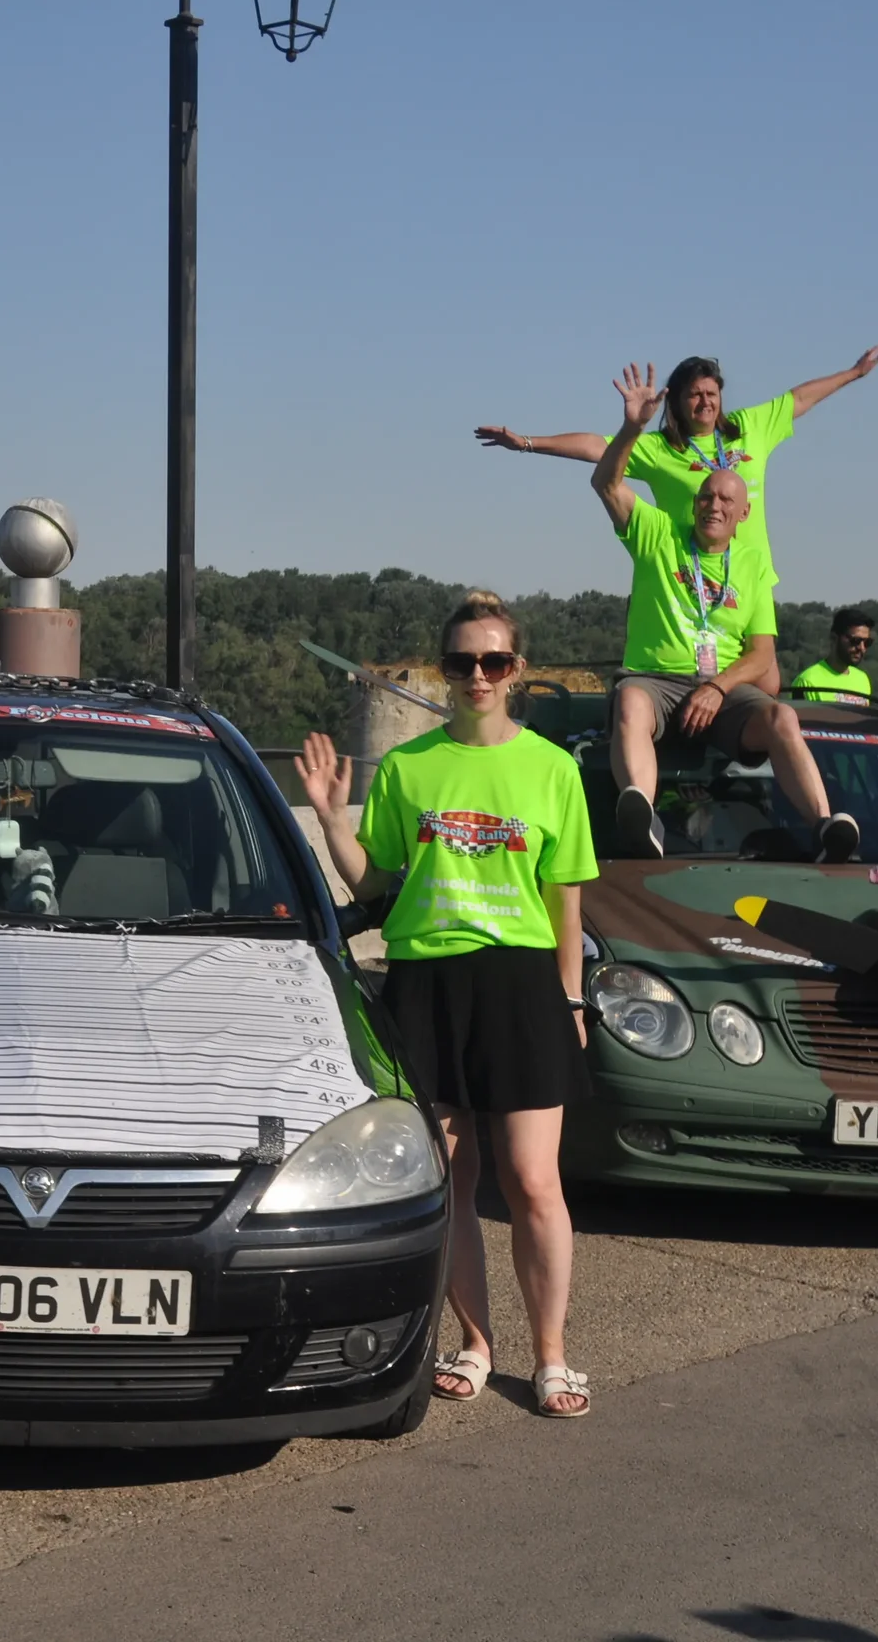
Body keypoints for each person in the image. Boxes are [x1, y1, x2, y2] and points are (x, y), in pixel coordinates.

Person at [297, 591, 597, 1418]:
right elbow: (380, 891)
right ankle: (475, 1342)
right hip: (429, 982)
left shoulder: (552, 768)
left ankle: (552, 1354)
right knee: (451, 1180)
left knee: (534, 1181)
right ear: (446, 667)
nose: (476, 675)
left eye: (493, 661)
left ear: (516, 671)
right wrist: (331, 819)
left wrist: (571, 999)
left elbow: (565, 900)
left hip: (523, 980)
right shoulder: (407, 769)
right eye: (462, 661)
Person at [592, 363, 858, 863]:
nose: (713, 505)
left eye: (725, 500)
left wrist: (717, 688)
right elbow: (606, 482)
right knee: (629, 701)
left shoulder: (754, 565)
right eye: (706, 496)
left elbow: (762, 655)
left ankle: (825, 828)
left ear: (743, 514)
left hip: (724, 691)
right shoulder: (657, 534)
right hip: (656, 681)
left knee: (781, 715)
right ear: (693, 505)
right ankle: (642, 818)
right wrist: (632, 428)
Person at [476, 346, 878, 551]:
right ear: (676, 403)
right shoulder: (658, 448)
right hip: (690, 583)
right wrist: (527, 442)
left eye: (712, 392)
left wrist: (854, 373)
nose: (705, 401)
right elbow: (594, 447)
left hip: (753, 578)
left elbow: (800, 398)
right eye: (694, 394)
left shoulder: (749, 427)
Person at [796, 608, 876, 698]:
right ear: (834, 638)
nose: (862, 648)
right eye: (856, 641)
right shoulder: (807, 682)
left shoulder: (862, 680)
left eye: (867, 643)